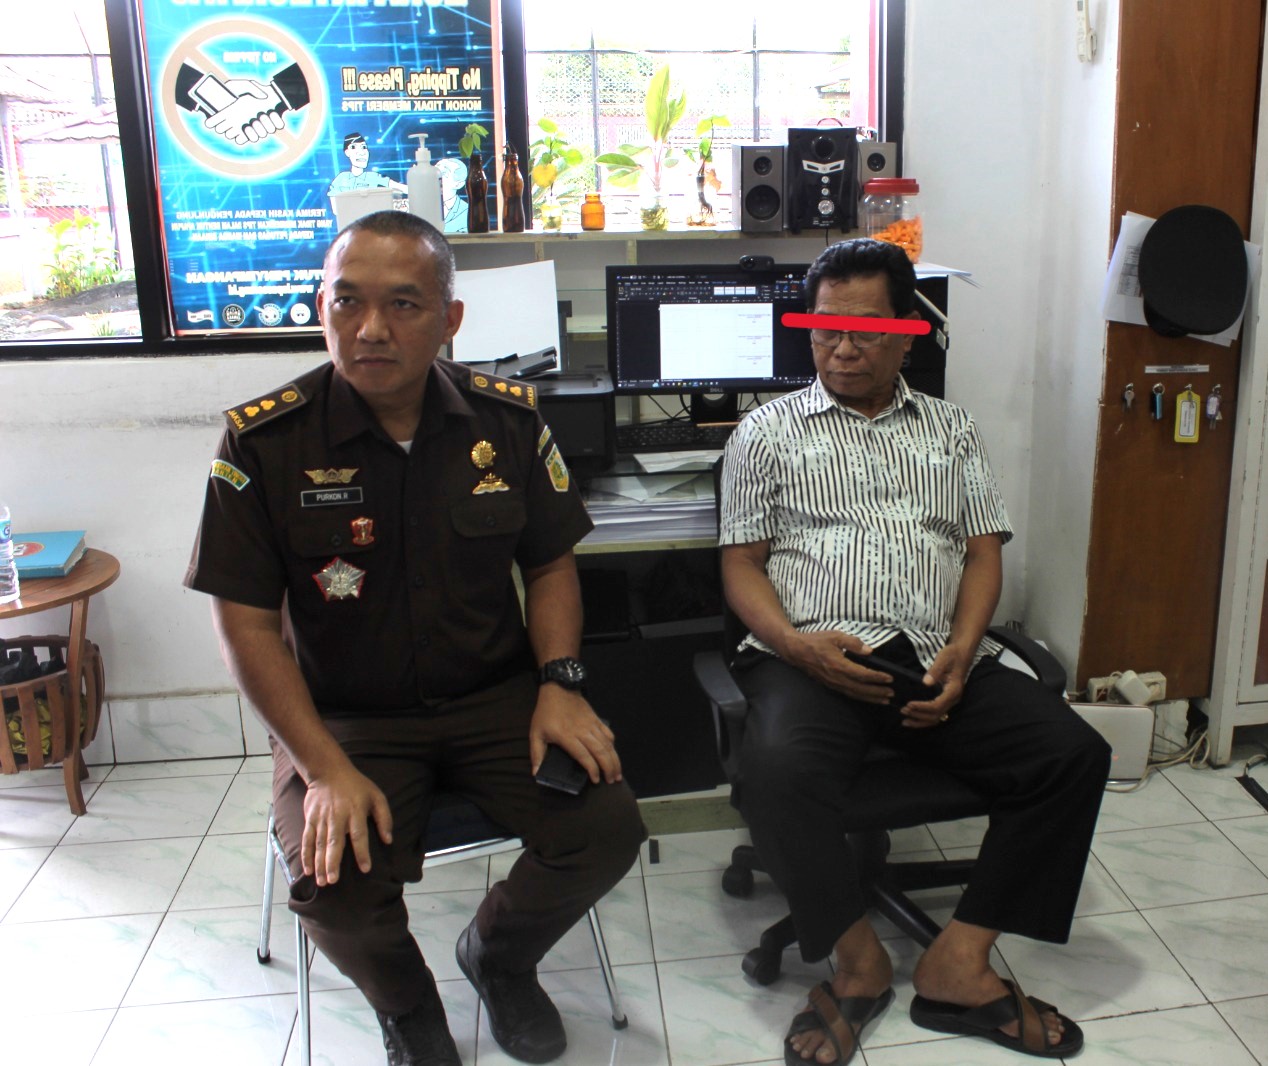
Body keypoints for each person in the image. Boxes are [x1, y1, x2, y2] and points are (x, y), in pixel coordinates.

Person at [184, 210, 645, 1066]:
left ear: (449, 319)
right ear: (320, 308)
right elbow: (243, 624)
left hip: (496, 699)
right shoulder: (265, 441)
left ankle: (498, 957)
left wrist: (560, 681)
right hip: (345, 717)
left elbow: (550, 564)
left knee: (607, 827)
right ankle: (409, 1010)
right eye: (347, 301)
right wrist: (323, 767)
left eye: (402, 304)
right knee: (334, 887)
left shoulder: (506, 423)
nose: (370, 329)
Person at [718, 238, 1111, 1065]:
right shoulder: (764, 433)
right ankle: (857, 963)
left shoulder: (951, 429)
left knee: (1072, 754)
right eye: (824, 329)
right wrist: (794, 644)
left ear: (907, 332)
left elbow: (982, 552)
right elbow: (742, 563)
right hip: (810, 655)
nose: (841, 347)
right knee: (775, 770)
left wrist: (965, 651)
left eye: (864, 329)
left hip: (932, 655)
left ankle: (958, 962)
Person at [328, 132, 406, 199]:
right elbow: (335, 206)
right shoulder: (340, 179)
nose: (361, 152)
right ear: (347, 152)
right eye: (353, 147)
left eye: (364, 147)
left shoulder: (373, 177)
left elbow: (401, 187)